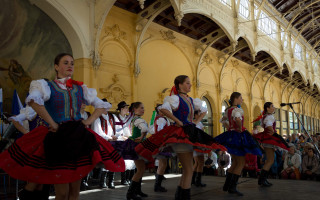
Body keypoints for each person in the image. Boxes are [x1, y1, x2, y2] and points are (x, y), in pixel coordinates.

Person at [0, 53, 125, 200]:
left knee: (74, 192)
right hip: (58, 138)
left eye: (72, 63)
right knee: (61, 192)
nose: (70, 65)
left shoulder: (80, 88)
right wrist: (52, 123)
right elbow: (33, 101)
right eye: (65, 63)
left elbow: (101, 106)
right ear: (56, 67)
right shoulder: (46, 86)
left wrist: (87, 121)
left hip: (78, 137)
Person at [135, 75, 226, 200]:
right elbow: (164, 109)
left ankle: (181, 195)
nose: (190, 85)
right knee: (188, 169)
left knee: (188, 168)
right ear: (180, 85)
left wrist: (195, 122)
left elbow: (204, 110)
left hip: (188, 131)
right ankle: (183, 195)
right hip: (181, 134)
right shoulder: (175, 99)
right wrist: (178, 122)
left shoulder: (192, 100)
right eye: (187, 83)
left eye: (190, 83)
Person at [215, 92, 262, 196]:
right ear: (235, 98)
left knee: (236, 162)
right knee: (240, 163)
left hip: (231, 135)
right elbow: (237, 119)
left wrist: (230, 128)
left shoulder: (228, 110)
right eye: (241, 97)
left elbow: (224, 122)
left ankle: (227, 185)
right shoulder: (237, 110)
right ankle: (232, 187)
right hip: (238, 135)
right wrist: (240, 128)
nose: (242, 99)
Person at [10, 106, 50, 200]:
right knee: (35, 180)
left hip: (49, 147)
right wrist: (28, 134)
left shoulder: (53, 108)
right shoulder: (34, 108)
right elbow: (15, 119)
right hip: (36, 150)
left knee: (43, 182)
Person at [252, 102, 289, 186]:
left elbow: (263, 125)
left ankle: (263, 179)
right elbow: (268, 126)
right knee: (270, 160)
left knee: (270, 160)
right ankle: (262, 180)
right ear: (267, 108)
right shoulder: (269, 117)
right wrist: (274, 133)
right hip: (269, 139)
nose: (274, 107)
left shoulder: (266, 116)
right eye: (272, 106)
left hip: (267, 138)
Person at [124, 102, 149, 200]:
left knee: (141, 169)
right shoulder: (138, 120)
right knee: (140, 170)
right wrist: (142, 136)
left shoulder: (135, 119)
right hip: (137, 145)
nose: (143, 110)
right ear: (135, 109)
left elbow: (145, 129)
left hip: (137, 144)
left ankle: (137, 191)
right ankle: (130, 194)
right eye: (141, 108)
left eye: (143, 108)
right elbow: (145, 129)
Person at [92, 98, 117, 189]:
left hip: (111, 142)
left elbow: (114, 129)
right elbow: (97, 132)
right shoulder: (97, 117)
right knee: (105, 161)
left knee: (113, 161)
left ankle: (111, 181)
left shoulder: (111, 117)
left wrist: (114, 136)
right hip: (102, 143)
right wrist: (109, 137)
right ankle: (102, 182)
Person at [149, 104, 171, 192]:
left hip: (161, 143)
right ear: (160, 111)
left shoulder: (159, 118)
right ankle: (157, 186)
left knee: (163, 164)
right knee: (162, 164)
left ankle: (158, 185)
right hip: (161, 144)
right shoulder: (161, 119)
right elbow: (159, 131)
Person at [113, 101, 135, 185]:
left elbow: (127, 130)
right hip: (118, 141)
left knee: (129, 160)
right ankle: (122, 179)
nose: (127, 110)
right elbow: (115, 130)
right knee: (121, 160)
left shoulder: (127, 118)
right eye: (126, 108)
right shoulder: (115, 118)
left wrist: (128, 137)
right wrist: (120, 136)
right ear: (121, 109)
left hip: (126, 141)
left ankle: (127, 179)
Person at [191, 110, 207, 187]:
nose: (201, 115)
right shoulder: (195, 123)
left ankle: (193, 180)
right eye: (199, 114)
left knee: (197, 162)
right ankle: (198, 181)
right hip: (198, 144)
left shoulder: (195, 123)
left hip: (195, 144)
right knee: (200, 162)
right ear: (195, 115)